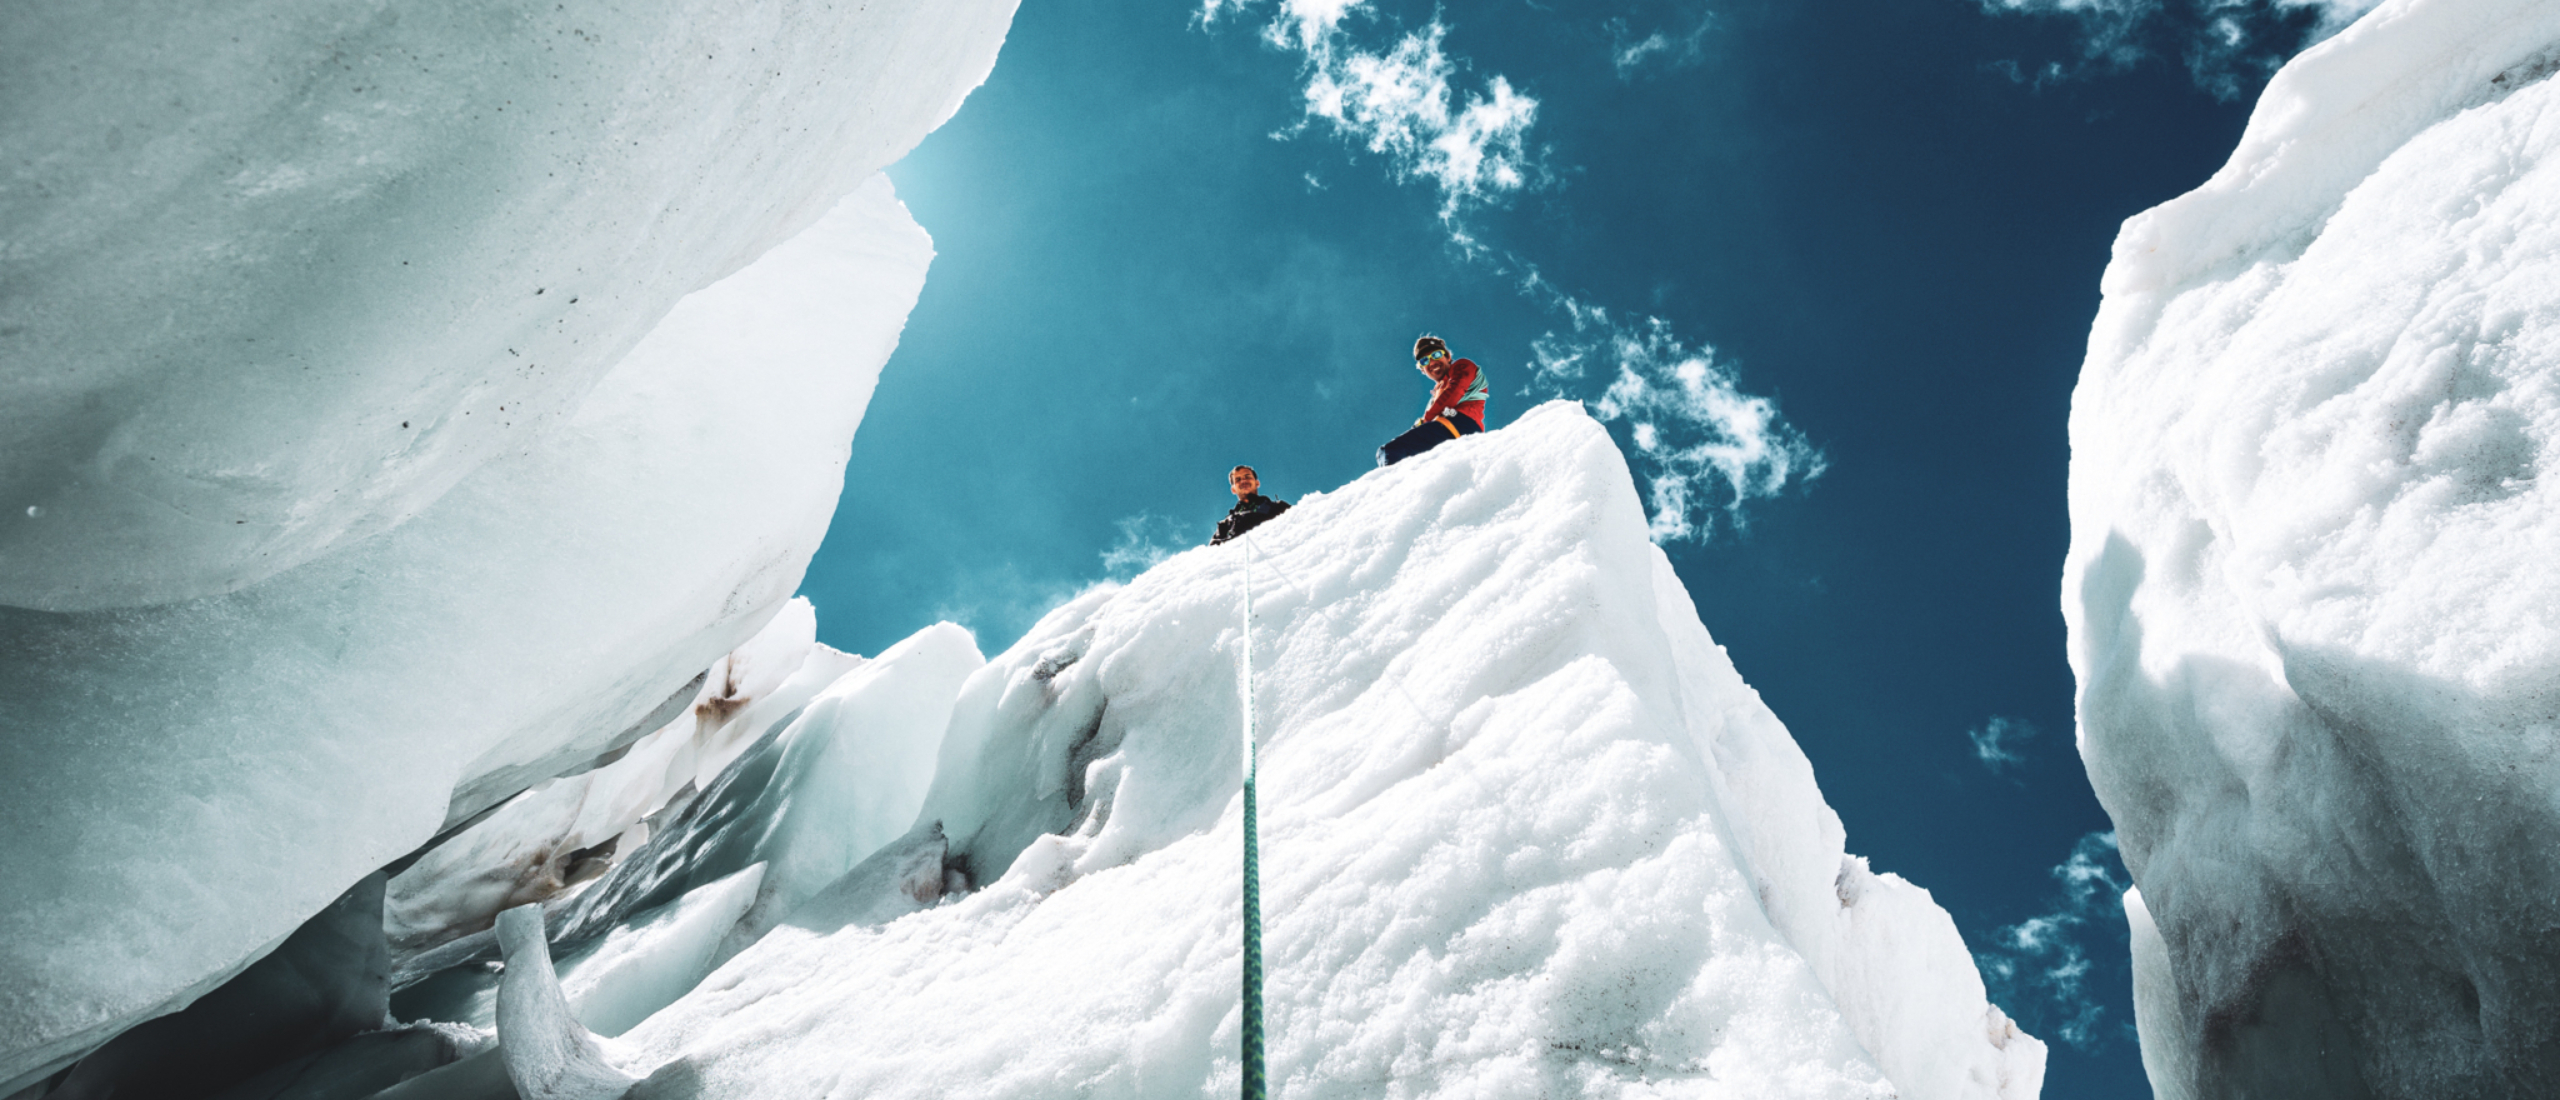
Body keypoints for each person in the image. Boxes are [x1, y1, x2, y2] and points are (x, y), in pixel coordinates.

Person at [1376, 334, 1486, 466]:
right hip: (1449, 431)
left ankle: (1394, 483)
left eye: (1436, 355)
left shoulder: (1461, 366)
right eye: (1424, 361)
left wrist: (1427, 419)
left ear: (1448, 357)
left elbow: (1455, 391)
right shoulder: (1436, 394)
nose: (1432, 362)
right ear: (1422, 370)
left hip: (1460, 425)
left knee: (1390, 451)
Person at [1212, 465, 1290, 545]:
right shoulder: (1225, 525)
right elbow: (1213, 553)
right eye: (1238, 479)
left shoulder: (1279, 508)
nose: (1243, 481)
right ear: (1233, 489)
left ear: (1257, 483)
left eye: (1247, 477)